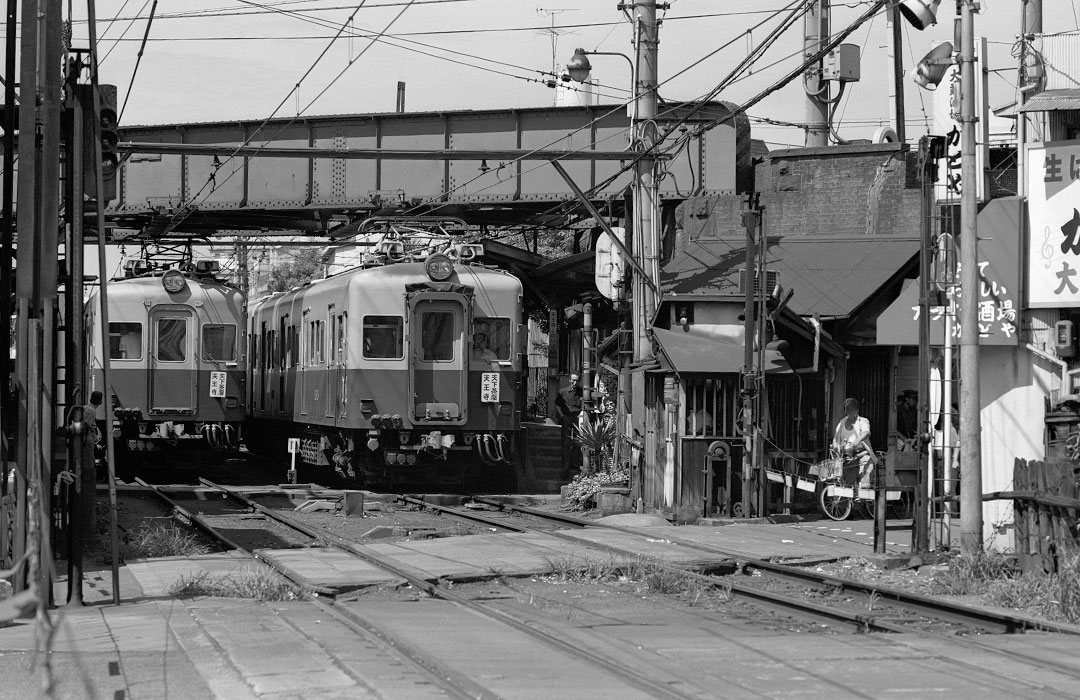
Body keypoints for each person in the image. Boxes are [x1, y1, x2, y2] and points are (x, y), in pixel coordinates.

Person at [831, 397, 878, 487]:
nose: (849, 412)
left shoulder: (863, 421)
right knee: (847, 479)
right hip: (847, 457)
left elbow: (866, 432)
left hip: (862, 454)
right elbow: (835, 440)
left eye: (852, 409)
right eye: (847, 409)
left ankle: (863, 492)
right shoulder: (841, 423)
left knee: (866, 468)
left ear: (857, 409)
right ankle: (849, 492)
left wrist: (857, 441)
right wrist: (837, 450)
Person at [554, 373, 584, 476]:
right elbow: (557, 404)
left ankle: (574, 465)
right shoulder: (563, 391)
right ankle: (565, 467)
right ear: (570, 380)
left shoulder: (581, 392)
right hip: (567, 417)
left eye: (577, 380)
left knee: (577, 441)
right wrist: (562, 416)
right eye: (573, 380)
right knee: (566, 442)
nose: (575, 382)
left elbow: (584, 404)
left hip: (577, 417)